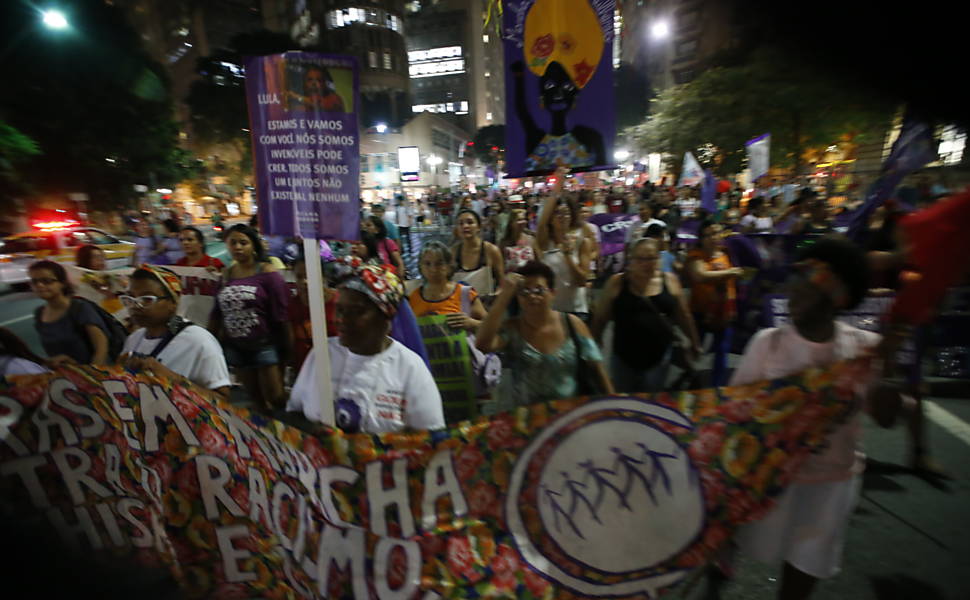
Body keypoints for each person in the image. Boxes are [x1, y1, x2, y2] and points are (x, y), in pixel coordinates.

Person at [710, 236, 899, 600]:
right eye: (793, 285)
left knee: (803, 573)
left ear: (835, 299)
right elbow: (732, 415)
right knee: (746, 538)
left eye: (806, 289)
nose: (792, 296)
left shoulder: (863, 349)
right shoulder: (768, 343)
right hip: (773, 480)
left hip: (831, 484)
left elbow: (887, 417)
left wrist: (890, 381)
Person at [287, 258, 444, 432]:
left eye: (356, 311)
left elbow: (432, 437)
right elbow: (294, 413)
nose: (341, 319)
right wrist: (312, 430)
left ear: (386, 318)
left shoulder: (410, 368)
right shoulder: (322, 355)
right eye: (339, 309)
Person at [476, 262, 613, 410]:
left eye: (539, 290)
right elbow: (482, 344)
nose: (532, 296)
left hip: (571, 413)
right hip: (528, 417)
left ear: (553, 293)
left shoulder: (572, 324)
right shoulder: (513, 328)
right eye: (524, 291)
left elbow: (597, 368)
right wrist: (504, 296)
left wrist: (614, 403)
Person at [592, 238, 700, 393]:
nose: (646, 263)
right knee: (624, 399)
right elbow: (600, 317)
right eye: (640, 259)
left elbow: (684, 315)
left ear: (659, 258)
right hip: (624, 357)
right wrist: (595, 344)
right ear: (631, 260)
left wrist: (694, 341)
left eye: (651, 258)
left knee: (651, 399)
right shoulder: (617, 283)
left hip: (659, 358)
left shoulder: (669, 281)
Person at [208, 224, 291, 412]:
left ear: (253, 245)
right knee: (255, 398)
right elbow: (217, 312)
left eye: (243, 243)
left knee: (276, 396)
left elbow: (282, 313)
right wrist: (209, 340)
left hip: (264, 344)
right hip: (236, 346)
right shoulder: (226, 276)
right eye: (233, 243)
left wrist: (287, 348)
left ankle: (289, 426)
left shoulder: (267, 273)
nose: (238, 247)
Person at [120, 266, 231, 398]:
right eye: (131, 299)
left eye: (147, 299)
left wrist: (171, 378)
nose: (135, 306)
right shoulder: (133, 339)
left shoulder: (199, 341)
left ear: (173, 302)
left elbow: (222, 399)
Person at [687, 221, 745, 386]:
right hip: (700, 311)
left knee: (721, 351)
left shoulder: (726, 253)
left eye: (717, 233)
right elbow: (700, 275)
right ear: (701, 238)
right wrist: (731, 272)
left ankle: (716, 386)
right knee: (695, 349)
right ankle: (689, 381)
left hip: (724, 312)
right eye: (709, 234)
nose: (714, 238)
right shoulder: (695, 256)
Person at [29, 260, 111, 366]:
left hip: (89, 372)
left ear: (62, 283)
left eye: (47, 281)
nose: (39, 285)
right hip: (64, 374)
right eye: (34, 282)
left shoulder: (79, 308)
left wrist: (92, 372)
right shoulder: (39, 313)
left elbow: (101, 348)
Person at [536, 176, 594, 319]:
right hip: (550, 310)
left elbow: (582, 281)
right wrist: (557, 186)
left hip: (576, 310)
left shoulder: (582, 242)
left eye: (566, 213)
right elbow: (542, 223)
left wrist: (568, 255)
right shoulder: (545, 242)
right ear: (550, 218)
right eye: (557, 213)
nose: (563, 216)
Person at [409, 242, 487, 332]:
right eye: (427, 264)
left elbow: (491, 326)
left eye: (439, 263)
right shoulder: (414, 298)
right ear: (420, 267)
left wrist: (472, 323)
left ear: (449, 266)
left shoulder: (465, 294)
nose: (433, 269)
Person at [288, 255, 339, 376]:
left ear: (323, 277)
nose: (304, 282)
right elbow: (290, 342)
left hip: (336, 369)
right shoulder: (292, 306)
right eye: (299, 277)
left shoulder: (339, 301)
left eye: (309, 276)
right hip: (305, 371)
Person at [452, 209, 505, 298]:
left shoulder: (491, 250)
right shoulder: (452, 252)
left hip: (486, 302)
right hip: (460, 303)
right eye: (460, 224)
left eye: (470, 222)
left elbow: (502, 283)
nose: (465, 226)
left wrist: (495, 297)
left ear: (479, 227)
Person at [500, 207, 538, 272]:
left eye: (524, 219)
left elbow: (538, 262)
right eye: (519, 220)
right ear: (511, 223)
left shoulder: (531, 239)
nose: (522, 222)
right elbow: (501, 266)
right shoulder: (504, 242)